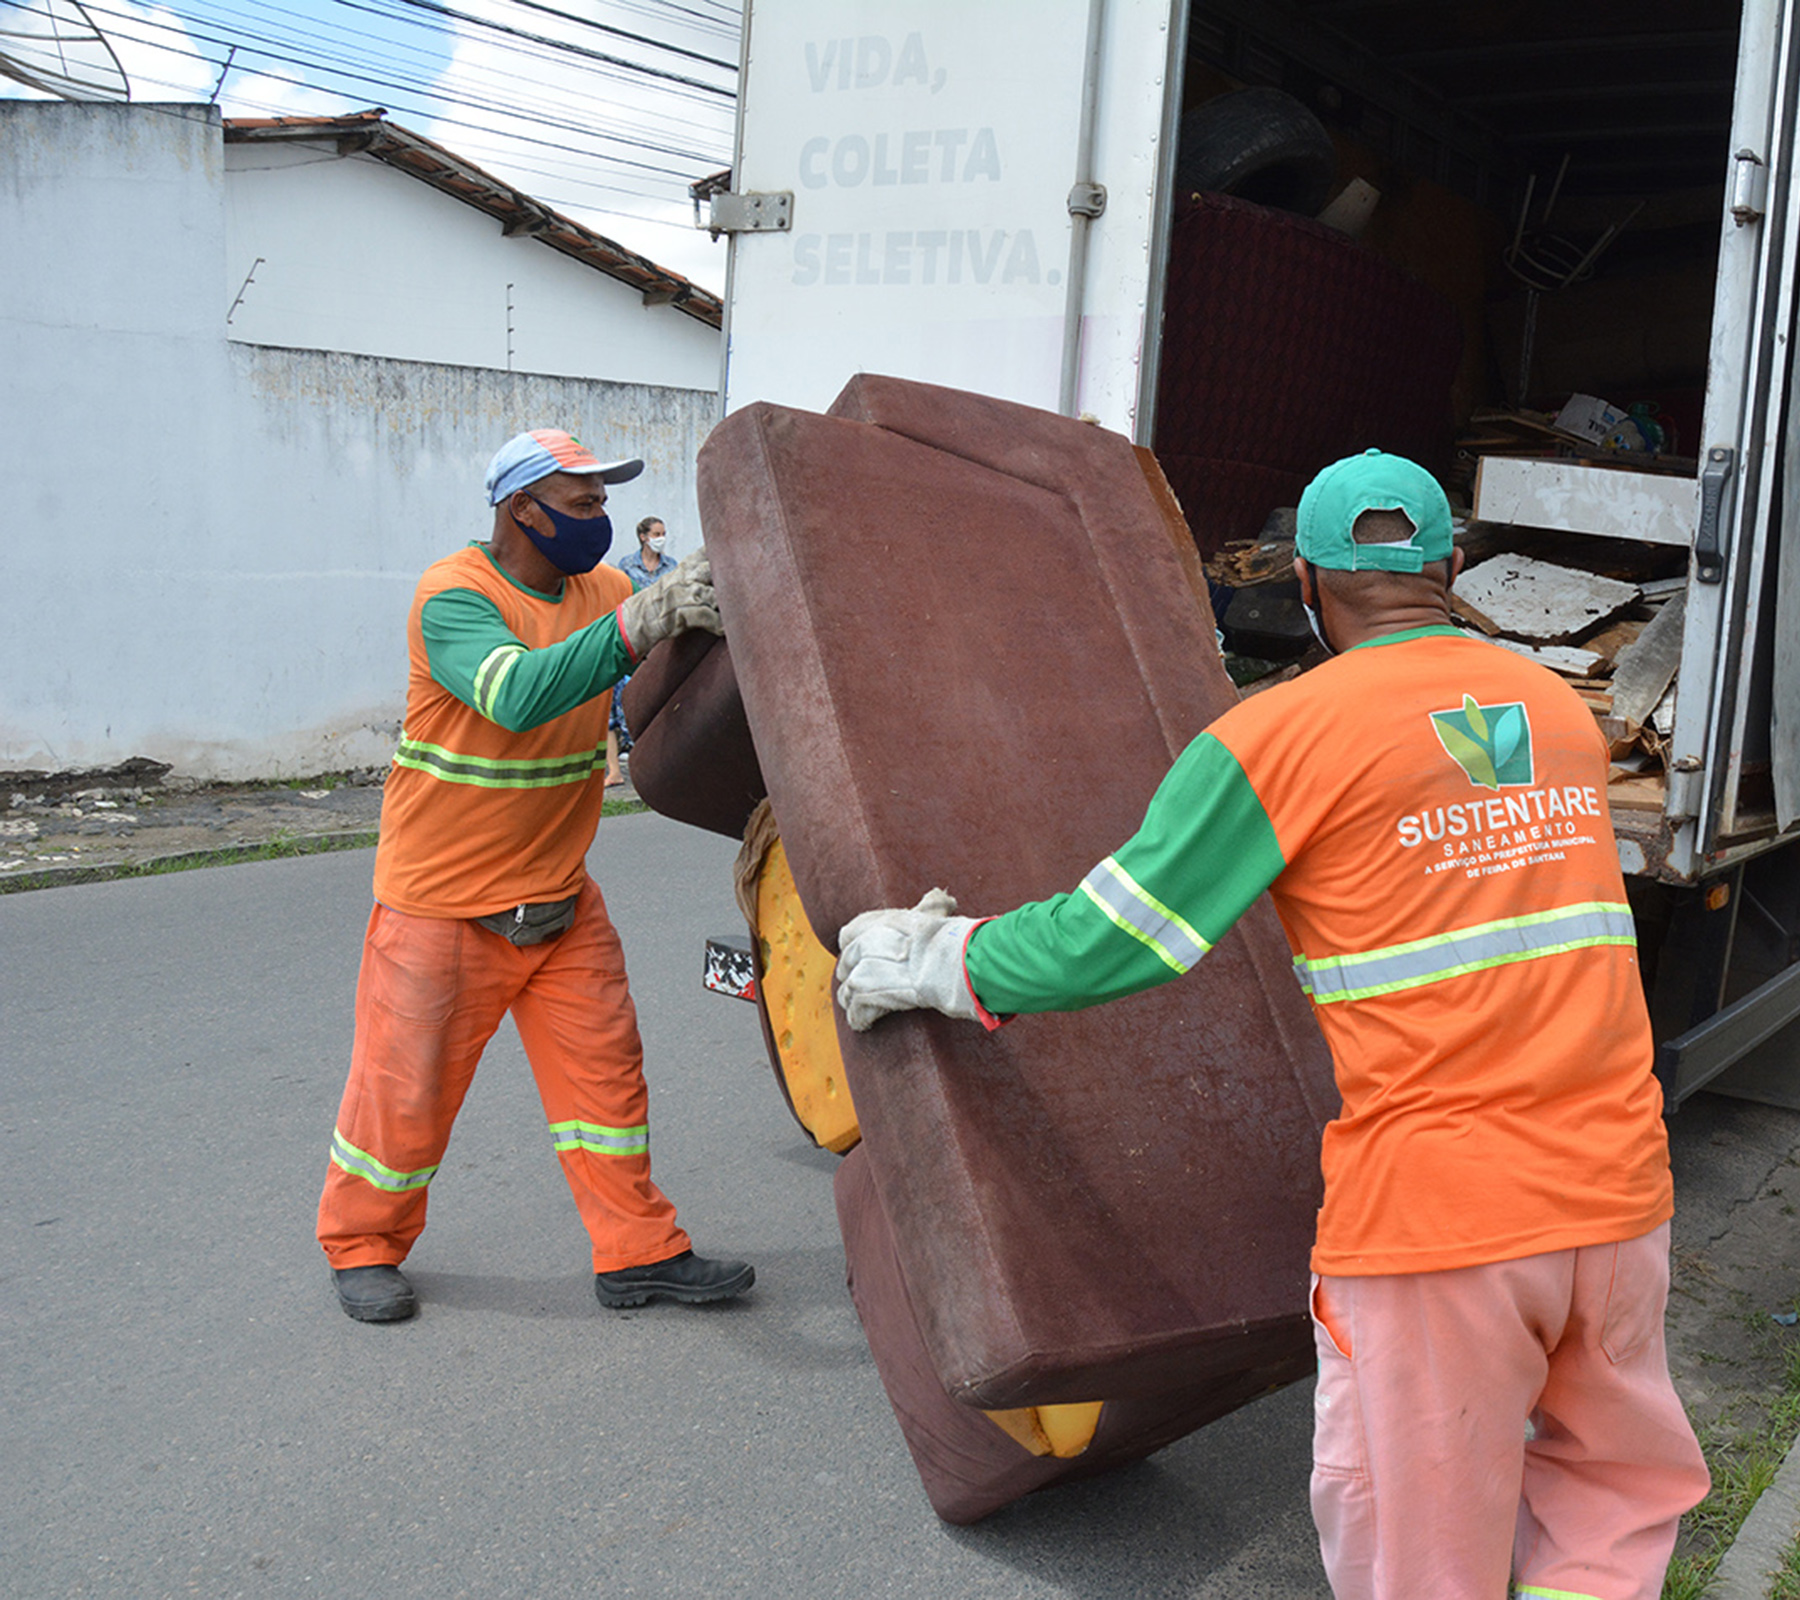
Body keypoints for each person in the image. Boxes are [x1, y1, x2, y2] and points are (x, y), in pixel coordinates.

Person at [833, 450, 1709, 1599]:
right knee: (1608, 1508)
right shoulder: (1554, 713)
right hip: (1617, 1198)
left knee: (1418, 1553)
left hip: (1440, 1227)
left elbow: (1116, 939)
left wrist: (939, 960)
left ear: (1303, 580)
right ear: (1452, 566)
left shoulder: (1280, 737)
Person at [318, 428, 753, 1325]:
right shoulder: (455, 596)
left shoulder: (599, 587)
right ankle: (362, 1245)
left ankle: (639, 1253)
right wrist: (644, 618)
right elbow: (517, 693)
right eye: (584, 503)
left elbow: (659, 632)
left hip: (559, 898)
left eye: (603, 502)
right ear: (523, 508)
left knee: (607, 1090)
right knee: (402, 1098)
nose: (602, 519)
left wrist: (728, 576)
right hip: (441, 908)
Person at [603, 516, 676, 787]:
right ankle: (622, 763)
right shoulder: (626, 567)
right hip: (636, 640)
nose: (661, 538)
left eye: (664, 533)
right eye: (657, 533)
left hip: (661, 640)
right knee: (624, 700)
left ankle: (657, 758)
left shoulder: (671, 567)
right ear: (644, 536)